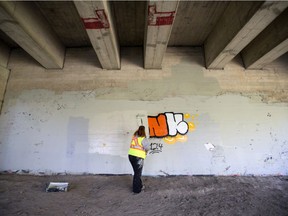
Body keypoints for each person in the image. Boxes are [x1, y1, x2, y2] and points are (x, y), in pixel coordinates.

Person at [128, 125, 150, 194]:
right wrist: (145, 152)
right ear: (144, 131)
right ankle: (136, 190)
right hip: (138, 158)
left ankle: (140, 186)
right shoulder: (143, 139)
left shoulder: (134, 137)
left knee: (137, 173)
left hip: (131, 155)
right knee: (137, 174)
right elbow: (147, 148)